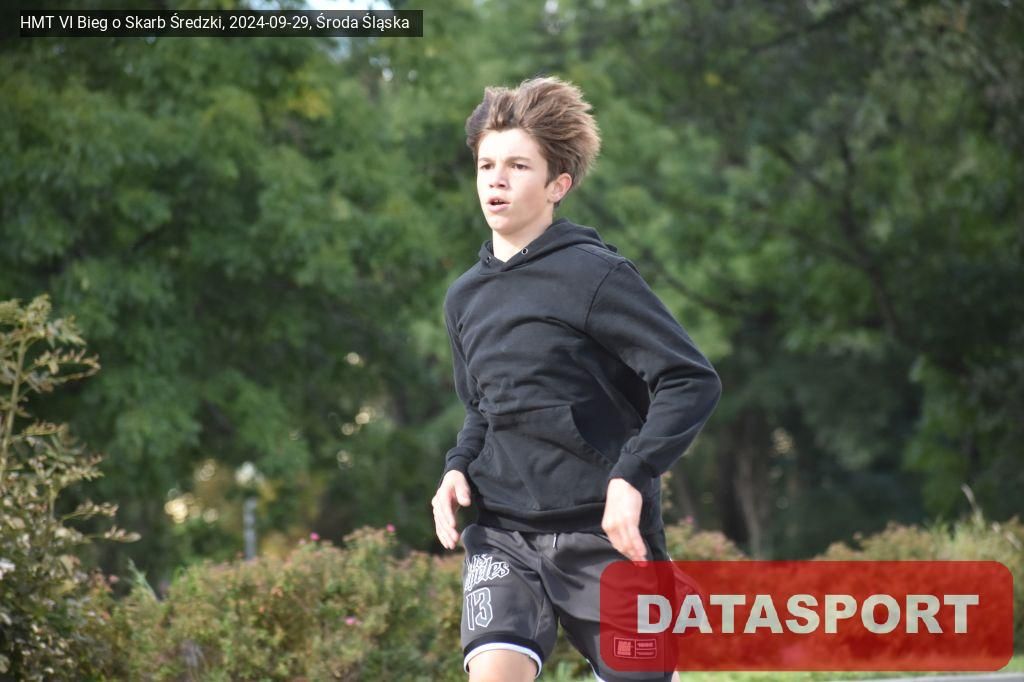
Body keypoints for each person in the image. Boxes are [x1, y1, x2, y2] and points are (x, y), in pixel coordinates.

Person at [431, 75, 722, 682]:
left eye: (518, 166)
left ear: (557, 185)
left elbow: (689, 379)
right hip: (504, 531)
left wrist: (632, 474)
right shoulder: (464, 298)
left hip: (604, 533)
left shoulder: (596, 276)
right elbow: (482, 409)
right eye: (486, 165)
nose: (496, 180)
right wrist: (457, 468)